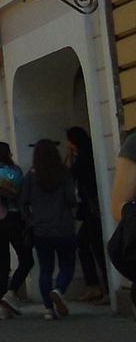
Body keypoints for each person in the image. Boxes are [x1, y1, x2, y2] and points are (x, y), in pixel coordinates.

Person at [21, 138, 78, 320]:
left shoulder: (30, 176)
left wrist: (30, 220)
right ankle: (59, 289)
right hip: (64, 227)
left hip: (41, 230)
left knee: (45, 269)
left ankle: (48, 308)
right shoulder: (64, 173)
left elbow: (22, 202)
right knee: (67, 264)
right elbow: (71, 199)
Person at [0, 142, 34, 319]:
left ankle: (1, 305)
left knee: (2, 263)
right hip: (12, 219)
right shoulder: (13, 170)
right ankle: (10, 294)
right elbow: (21, 194)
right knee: (26, 259)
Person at [65, 128, 107, 302]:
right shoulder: (88, 153)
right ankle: (95, 286)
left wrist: (69, 156)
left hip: (92, 210)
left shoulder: (82, 158)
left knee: (95, 247)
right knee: (85, 244)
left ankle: (103, 287)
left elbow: (68, 174)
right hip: (91, 209)